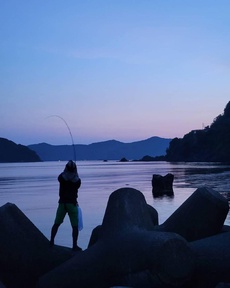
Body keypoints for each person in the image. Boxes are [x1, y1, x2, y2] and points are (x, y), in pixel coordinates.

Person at [50, 160, 82, 251]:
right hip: (72, 204)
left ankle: (51, 241)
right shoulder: (77, 180)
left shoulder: (61, 178)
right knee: (74, 226)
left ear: (66, 168)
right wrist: (75, 174)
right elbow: (77, 183)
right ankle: (74, 246)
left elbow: (62, 176)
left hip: (62, 204)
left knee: (56, 223)